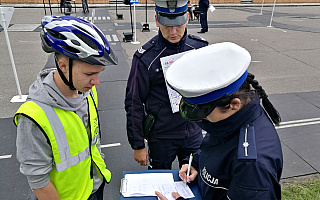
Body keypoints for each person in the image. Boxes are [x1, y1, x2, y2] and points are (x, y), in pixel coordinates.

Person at [156, 42, 283, 199]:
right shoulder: (230, 120)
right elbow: (217, 145)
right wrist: (196, 163)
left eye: (204, 112)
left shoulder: (252, 165)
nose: (202, 119)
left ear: (234, 104)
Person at [14, 15, 118, 200]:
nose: (96, 82)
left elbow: (93, 142)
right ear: (62, 66)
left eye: (99, 73)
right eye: (89, 74)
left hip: (95, 188)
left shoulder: (87, 92)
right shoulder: (33, 117)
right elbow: (39, 181)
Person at [125, 0, 208, 170]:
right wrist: (138, 144)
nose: (173, 31)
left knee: (196, 180)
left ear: (187, 19)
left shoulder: (200, 49)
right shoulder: (145, 58)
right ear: (156, 20)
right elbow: (133, 103)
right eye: (166, 25)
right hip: (161, 136)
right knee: (159, 184)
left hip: (193, 132)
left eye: (178, 25)